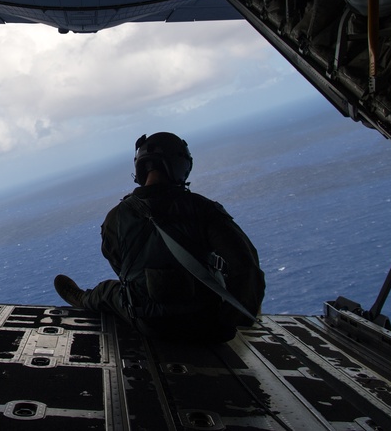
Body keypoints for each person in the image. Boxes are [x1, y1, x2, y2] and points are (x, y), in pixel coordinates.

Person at [54, 132, 265, 342]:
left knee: (108, 291)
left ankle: (82, 298)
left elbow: (122, 269)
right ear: (181, 166)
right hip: (208, 325)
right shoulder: (205, 210)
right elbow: (246, 265)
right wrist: (230, 320)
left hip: (151, 325)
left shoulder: (115, 218)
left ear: (140, 168)